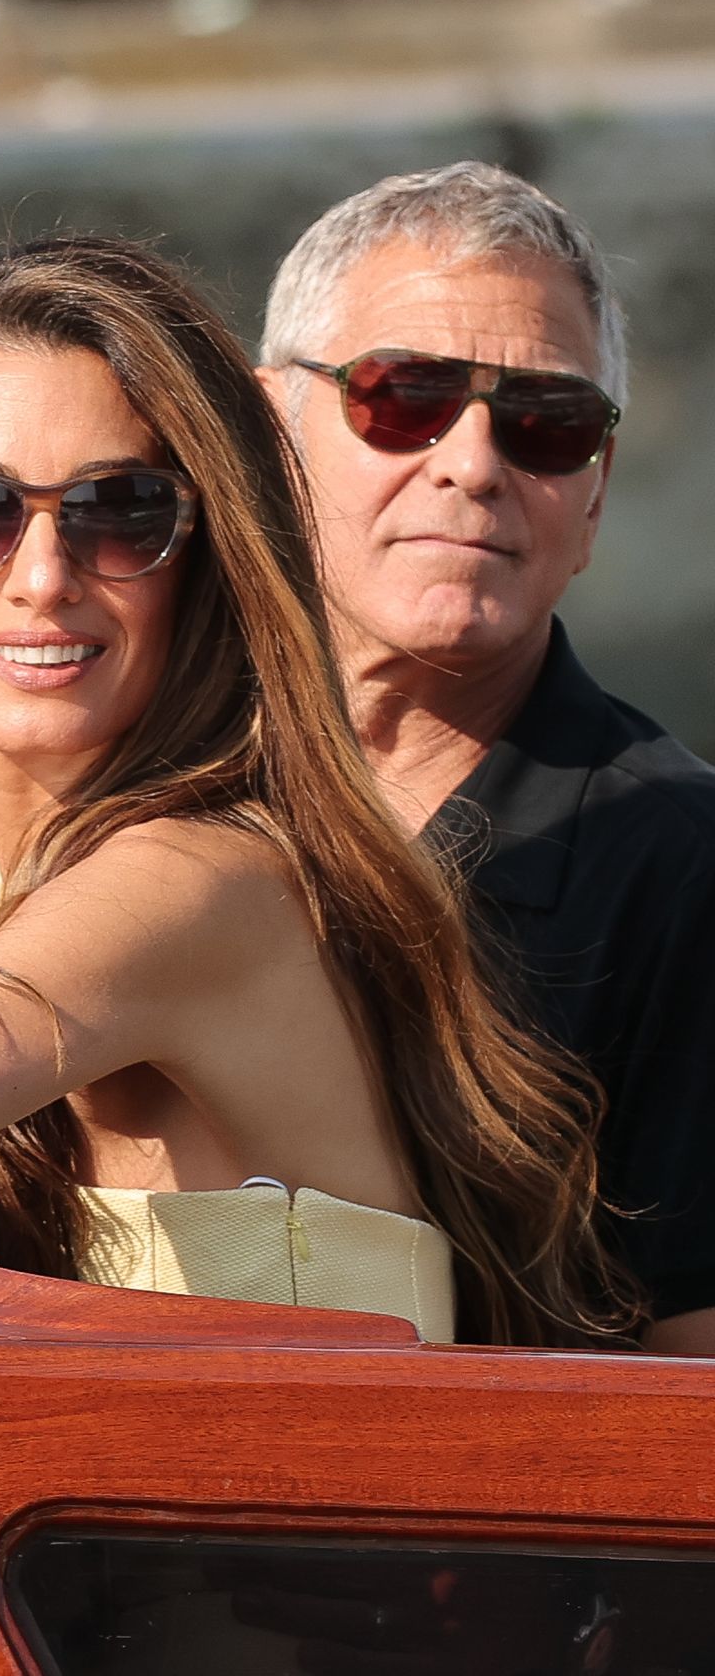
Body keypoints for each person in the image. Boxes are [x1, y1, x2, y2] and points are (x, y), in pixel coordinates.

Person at [0, 237, 631, 1348]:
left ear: (203, 563)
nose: (44, 574)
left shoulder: (194, 885)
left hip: (321, 1515)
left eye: (121, 512)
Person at [257, 160, 715, 1354]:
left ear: (596, 493)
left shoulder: (681, 873)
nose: (472, 464)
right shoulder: (129, 768)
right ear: (269, 430)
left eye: (547, 424)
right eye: (403, 397)